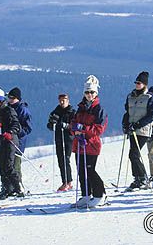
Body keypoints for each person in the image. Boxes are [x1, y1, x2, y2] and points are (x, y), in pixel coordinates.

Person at [70, 75, 108, 208]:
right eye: (87, 92)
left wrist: (83, 129)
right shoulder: (81, 107)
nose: (89, 95)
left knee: (90, 170)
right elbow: (74, 122)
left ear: (96, 93)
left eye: (91, 92)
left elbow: (99, 129)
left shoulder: (99, 109)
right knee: (81, 171)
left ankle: (100, 194)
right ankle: (86, 195)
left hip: (91, 145)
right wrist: (74, 130)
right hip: (79, 144)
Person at [122, 71, 153, 191]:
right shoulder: (131, 96)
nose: (137, 85)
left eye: (139, 83)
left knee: (134, 154)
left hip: (143, 130)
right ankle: (138, 178)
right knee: (133, 154)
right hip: (132, 129)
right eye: (136, 83)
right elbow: (127, 112)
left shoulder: (149, 97)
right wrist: (125, 124)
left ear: (144, 84)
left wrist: (138, 124)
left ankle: (143, 178)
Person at [0, 88, 23, 200]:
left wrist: (10, 132)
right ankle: (7, 188)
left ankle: (18, 187)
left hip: (10, 140)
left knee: (8, 165)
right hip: (2, 140)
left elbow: (17, 125)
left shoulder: (8, 110)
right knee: (2, 165)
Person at [47, 93, 76, 192]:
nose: (62, 102)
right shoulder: (56, 111)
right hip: (59, 138)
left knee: (65, 159)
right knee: (60, 160)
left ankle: (68, 182)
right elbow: (50, 126)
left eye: (64, 100)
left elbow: (75, 125)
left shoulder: (72, 112)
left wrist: (66, 126)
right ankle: (65, 181)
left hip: (68, 138)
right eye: (60, 100)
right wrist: (53, 123)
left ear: (68, 100)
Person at [7, 87, 32, 195]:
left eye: (13, 98)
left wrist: (17, 131)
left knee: (16, 164)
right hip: (8, 139)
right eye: (9, 97)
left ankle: (19, 186)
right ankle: (9, 187)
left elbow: (28, 128)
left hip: (19, 141)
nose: (10, 100)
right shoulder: (8, 108)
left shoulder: (22, 109)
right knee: (8, 163)